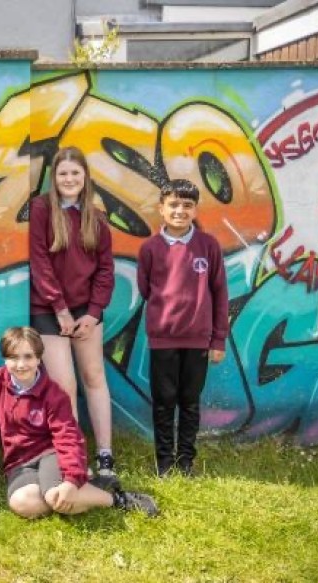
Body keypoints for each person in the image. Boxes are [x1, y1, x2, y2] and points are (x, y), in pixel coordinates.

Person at [0, 327, 158, 519]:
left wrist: (72, 479)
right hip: (19, 462)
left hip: (51, 454)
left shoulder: (53, 394)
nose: (21, 364)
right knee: (23, 503)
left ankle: (118, 499)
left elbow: (67, 437)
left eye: (28, 357)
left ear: (39, 358)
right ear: (5, 359)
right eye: (13, 357)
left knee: (56, 495)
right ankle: (84, 489)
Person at [29, 146, 117, 477]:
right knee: (65, 383)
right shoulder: (41, 210)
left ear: (85, 177)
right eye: (63, 173)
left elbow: (105, 270)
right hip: (48, 308)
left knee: (94, 376)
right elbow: (39, 261)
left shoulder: (96, 217)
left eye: (75, 173)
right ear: (54, 178)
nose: (69, 179)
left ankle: (105, 455)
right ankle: (74, 455)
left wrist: (93, 313)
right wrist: (60, 309)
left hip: (86, 310)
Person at [136, 179, 229, 477]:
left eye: (187, 205)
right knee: (164, 403)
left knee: (190, 402)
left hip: (198, 341)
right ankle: (165, 463)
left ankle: (185, 462)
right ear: (161, 209)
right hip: (163, 340)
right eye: (173, 205)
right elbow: (146, 289)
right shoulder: (150, 249)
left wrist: (218, 340)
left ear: (195, 210)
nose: (180, 211)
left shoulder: (208, 246)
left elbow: (220, 293)